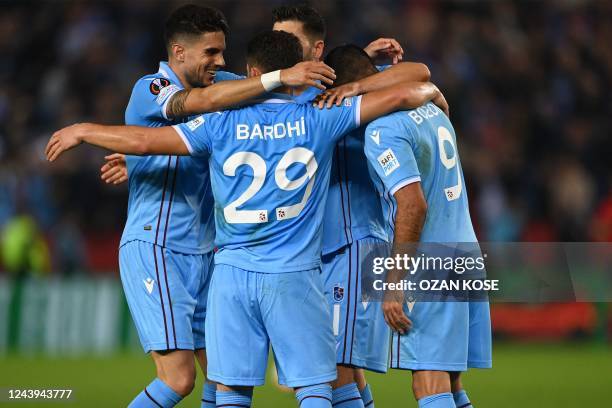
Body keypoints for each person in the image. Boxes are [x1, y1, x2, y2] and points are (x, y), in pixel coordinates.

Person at [46, 30, 446, 408]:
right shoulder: (323, 117)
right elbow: (410, 90)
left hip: (231, 276)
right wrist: (422, 94)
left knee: (230, 391)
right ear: (297, 72)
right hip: (295, 273)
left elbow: (144, 139)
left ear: (253, 73)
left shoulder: (218, 123)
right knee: (315, 386)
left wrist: (84, 131)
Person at [97, 4, 336, 407]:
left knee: (223, 378)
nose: (220, 61)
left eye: (223, 52)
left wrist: (367, 69)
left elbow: (260, 87)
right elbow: (198, 105)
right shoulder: (151, 88)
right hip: (159, 247)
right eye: (210, 52)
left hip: (209, 255)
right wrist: (279, 77)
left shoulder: (225, 84)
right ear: (179, 53)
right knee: (178, 379)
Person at [272, 5, 431, 407]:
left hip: (354, 243)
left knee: (333, 369)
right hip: (322, 250)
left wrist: (361, 78)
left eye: (290, 41)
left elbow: (420, 74)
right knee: (347, 369)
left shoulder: (347, 89)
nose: (281, 48)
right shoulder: (285, 92)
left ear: (316, 49)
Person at [326, 45, 492, 408]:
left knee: (429, 386)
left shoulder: (382, 131)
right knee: (450, 382)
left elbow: (413, 204)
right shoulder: (429, 107)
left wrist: (395, 281)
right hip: (465, 251)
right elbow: (421, 76)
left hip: (430, 261)